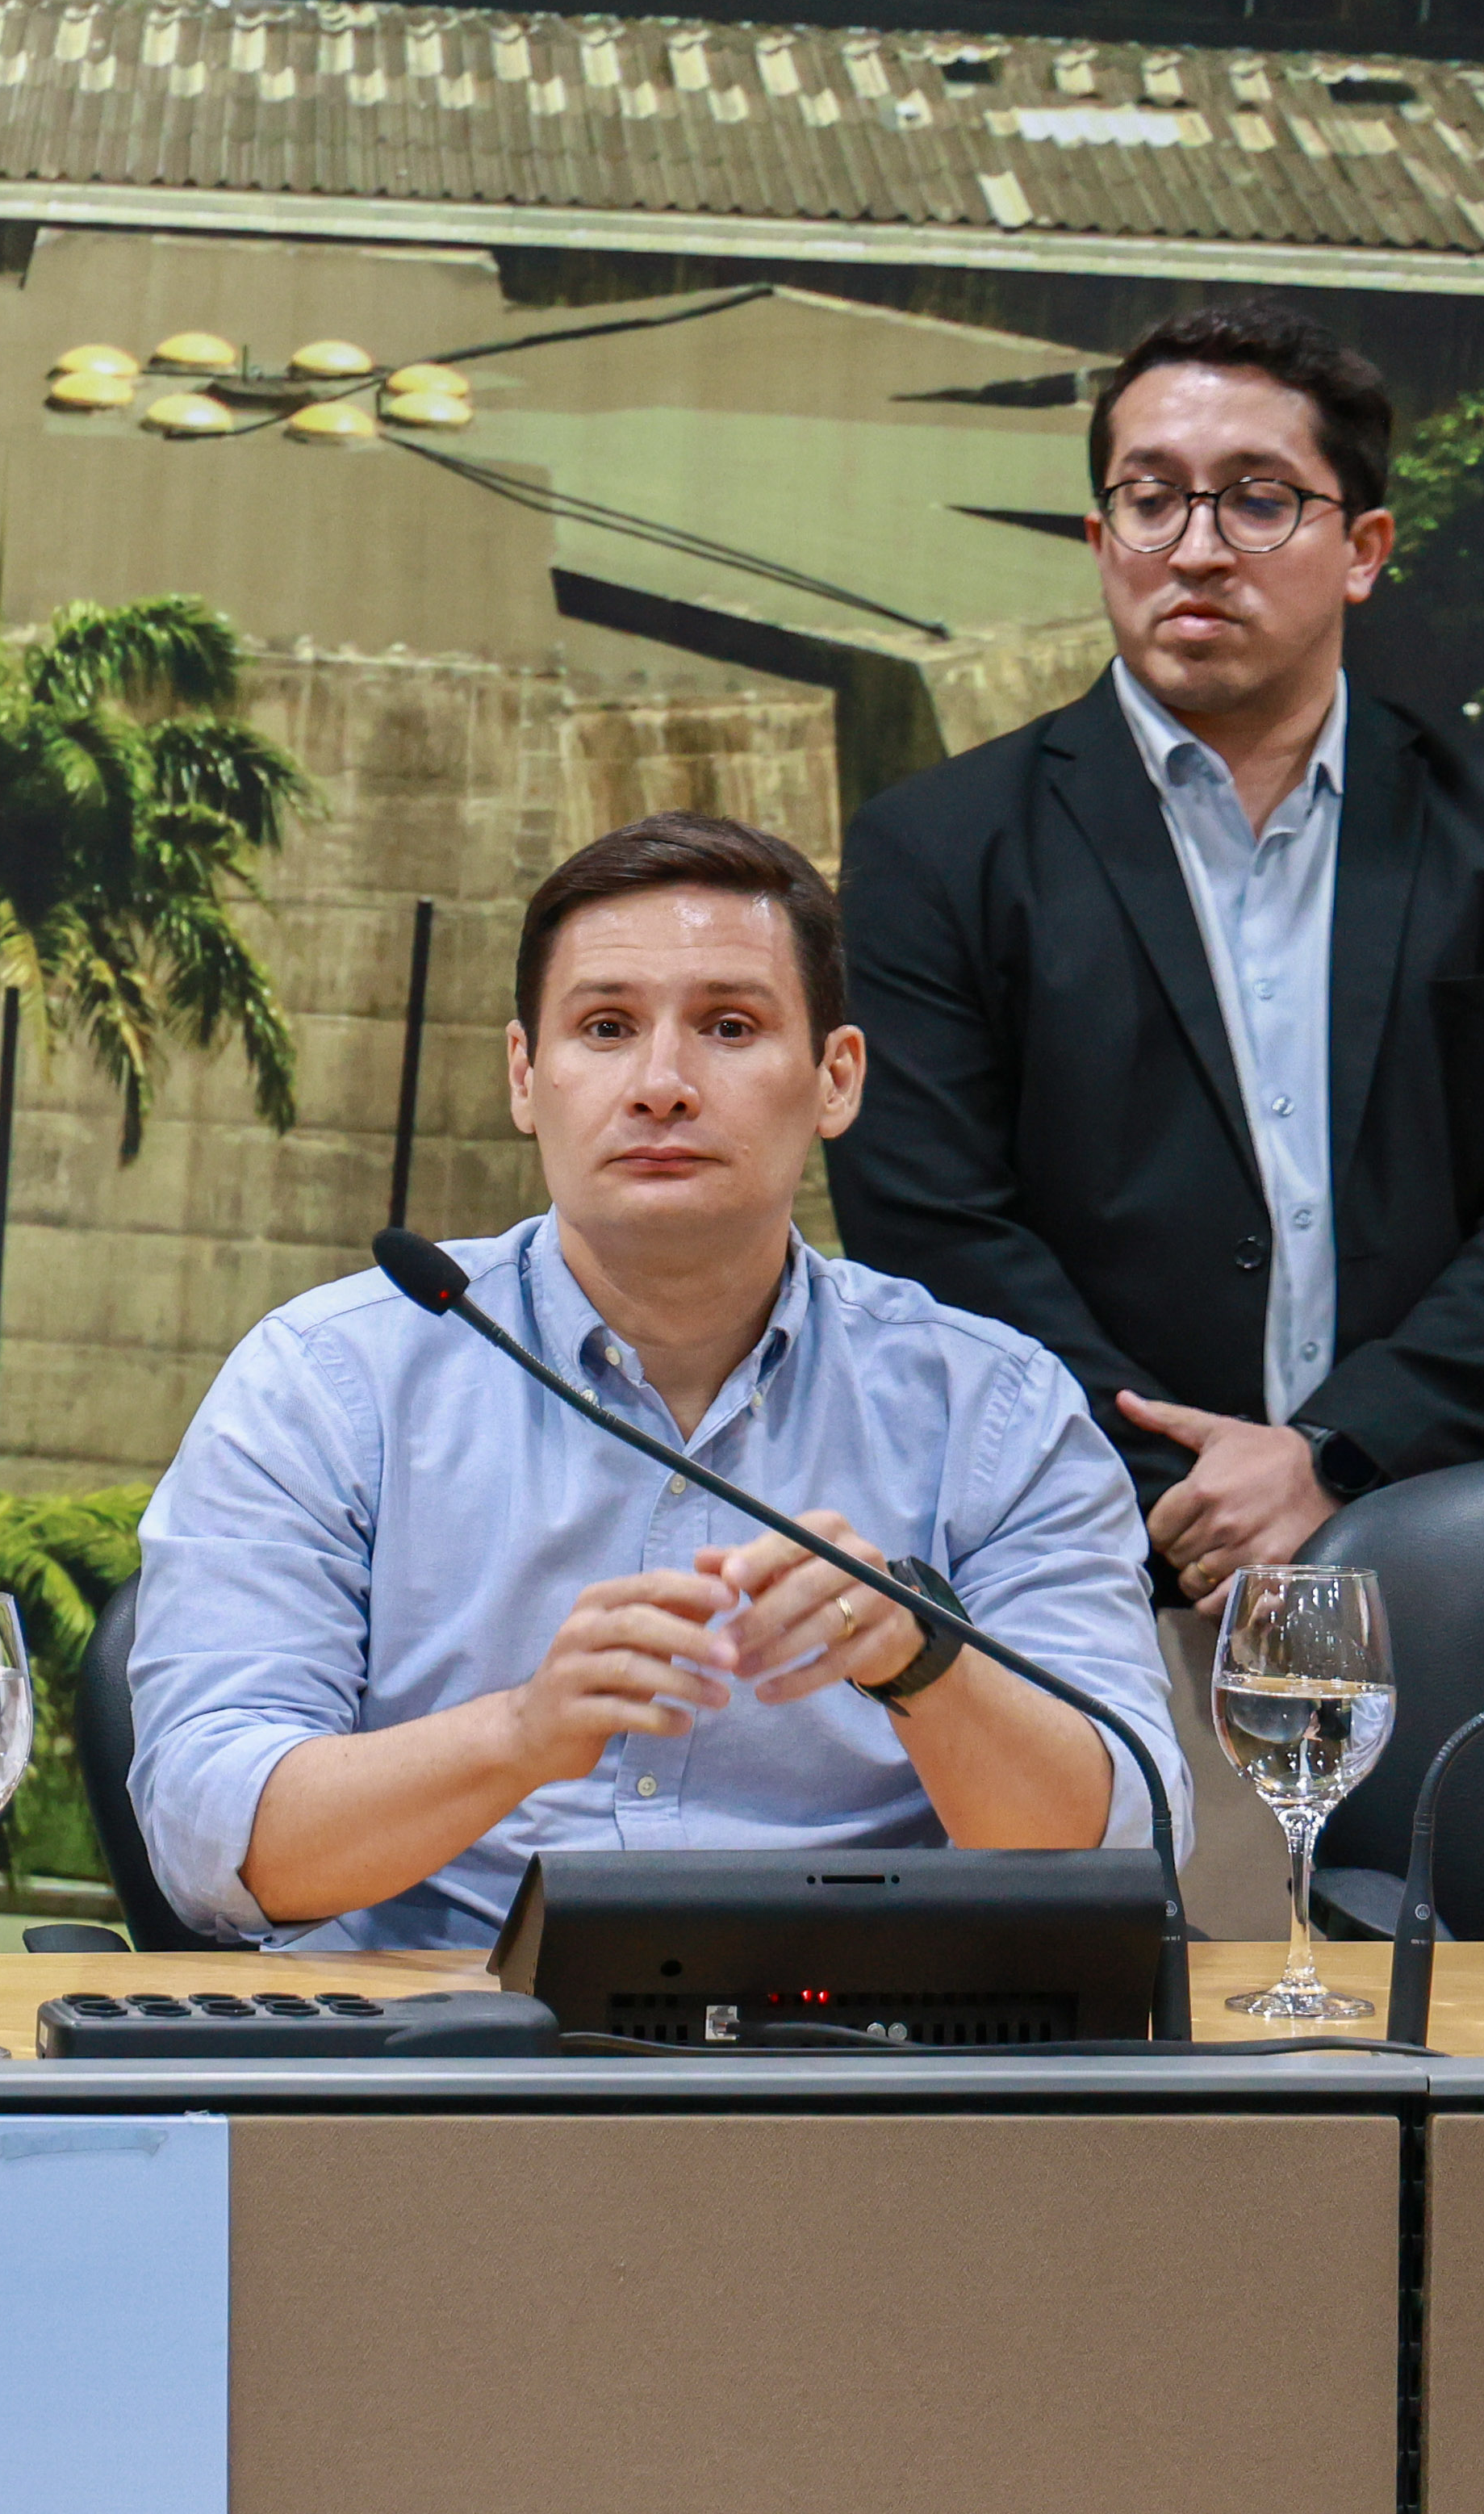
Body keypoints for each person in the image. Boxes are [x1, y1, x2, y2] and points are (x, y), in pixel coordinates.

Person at [833, 299, 1484, 1925]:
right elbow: (932, 1224)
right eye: (1150, 497)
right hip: (1100, 1584)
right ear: (1097, 536)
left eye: (1256, 498)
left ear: (1360, 546)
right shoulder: (934, 851)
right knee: (1175, 2038)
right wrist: (1196, 1494)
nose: (1194, 545)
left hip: (1468, 1593)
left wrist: (1335, 1456)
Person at [128, 814, 1179, 1951]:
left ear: (835, 1080)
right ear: (525, 1077)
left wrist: (919, 1658)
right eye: (605, 1028)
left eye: (728, 1026)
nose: (662, 1085)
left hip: (862, 2033)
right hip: (435, 2026)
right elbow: (208, 1836)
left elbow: (1122, 1841)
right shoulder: (330, 1379)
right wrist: (519, 1734)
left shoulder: (996, 1409)